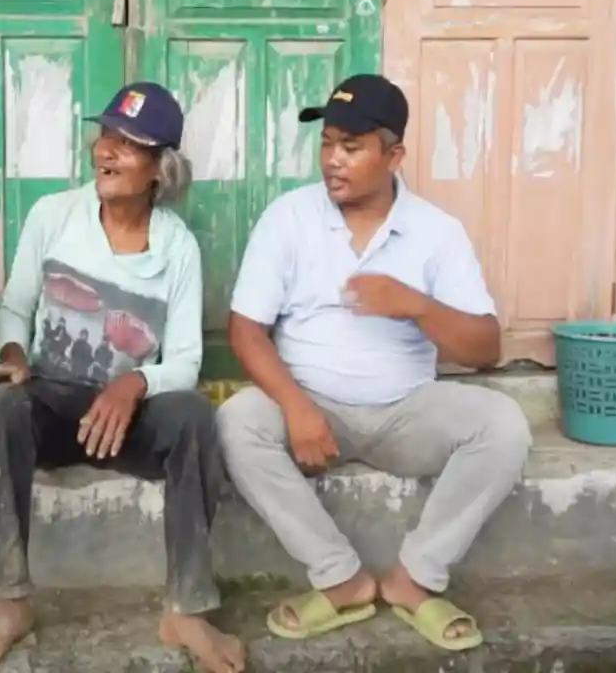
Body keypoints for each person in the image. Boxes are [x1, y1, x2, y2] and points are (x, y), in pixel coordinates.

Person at [216, 74, 532, 651]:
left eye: (351, 147)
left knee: (504, 425)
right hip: (310, 413)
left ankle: (414, 579)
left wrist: (414, 305)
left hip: (405, 413)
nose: (332, 160)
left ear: (394, 155)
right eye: (327, 143)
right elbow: (245, 331)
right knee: (236, 421)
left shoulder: (436, 232)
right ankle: (341, 579)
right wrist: (296, 408)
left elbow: (486, 349)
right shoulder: (289, 218)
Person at [0, 83, 245, 673]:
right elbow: (15, 309)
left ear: (159, 170)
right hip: (54, 404)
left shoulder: (178, 249)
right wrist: (14, 358)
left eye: (129, 144)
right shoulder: (54, 216)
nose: (106, 152)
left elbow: (186, 362)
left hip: (128, 422)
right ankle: (12, 600)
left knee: (193, 415)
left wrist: (133, 383)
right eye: (106, 136)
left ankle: (186, 608)